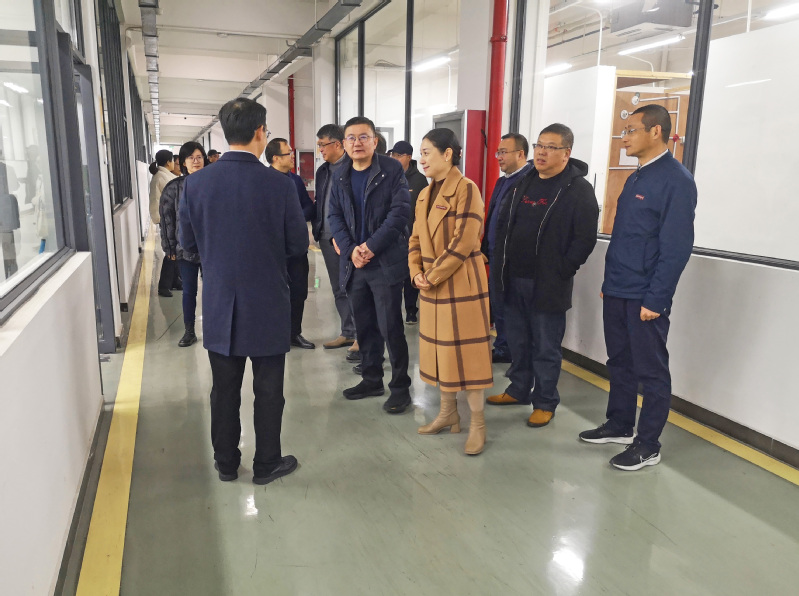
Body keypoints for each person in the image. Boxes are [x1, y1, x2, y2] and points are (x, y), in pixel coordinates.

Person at [178, 97, 308, 485]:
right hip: (268, 302)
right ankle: (266, 463)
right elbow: (297, 244)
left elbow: (187, 242)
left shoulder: (195, 183)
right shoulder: (280, 184)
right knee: (269, 390)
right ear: (259, 133)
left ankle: (226, 463)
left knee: (223, 390)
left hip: (220, 303)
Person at [579, 105, 696, 471]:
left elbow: (676, 248)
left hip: (645, 295)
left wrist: (657, 298)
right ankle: (619, 424)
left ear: (655, 131)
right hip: (618, 288)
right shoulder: (636, 177)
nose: (624, 137)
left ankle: (648, 444)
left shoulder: (676, 181)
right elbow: (625, 237)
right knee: (619, 362)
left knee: (651, 370)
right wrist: (609, 283)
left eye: (630, 130)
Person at [488, 124, 599, 429]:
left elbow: (584, 238)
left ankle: (545, 402)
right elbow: (504, 224)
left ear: (566, 153)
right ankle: (518, 389)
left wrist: (563, 268)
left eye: (550, 147)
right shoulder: (524, 182)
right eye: (539, 146)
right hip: (513, 279)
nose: (541, 152)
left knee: (546, 347)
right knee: (518, 342)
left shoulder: (577, 189)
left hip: (548, 283)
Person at [409, 128, 492, 455]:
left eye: (427, 152)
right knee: (441, 352)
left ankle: (478, 425)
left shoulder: (466, 188)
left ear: (448, 154)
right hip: (432, 284)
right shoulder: (424, 194)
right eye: (421, 153)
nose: (422, 159)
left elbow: (465, 241)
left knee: (468, 356)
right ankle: (447, 414)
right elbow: (415, 238)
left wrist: (431, 275)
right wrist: (416, 272)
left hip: (459, 282)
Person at [328, 116, 412, 414]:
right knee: (364, 326)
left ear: (375, 141)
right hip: (355, 264)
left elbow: (399, 213)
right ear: (344, 143)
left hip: (384, 262)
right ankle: (371, 378)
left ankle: (400, 387)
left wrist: (371, 246)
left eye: (363, 137)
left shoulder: (391, 169)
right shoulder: (339, 174)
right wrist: (352, 250)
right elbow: (334, 216)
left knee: (391, 327)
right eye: (351, 138)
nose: (357, 143)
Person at [480, 133, 533, 363]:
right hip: (495, 254)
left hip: (515, 259)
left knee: (513, 307)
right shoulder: (503, 181)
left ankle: (515, 350)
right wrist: (484, 247)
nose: (499, 157)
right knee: (498, 302)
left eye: (503, 152)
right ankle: (503, 347)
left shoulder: (530, 181)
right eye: (498, 152)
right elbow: (493, 216)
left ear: (520, 154)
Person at [265, 137, 316, 349]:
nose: (293, 156)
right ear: (276, 158)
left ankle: (294, 333)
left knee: (299, 292)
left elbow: (308, 206)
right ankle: (275, 334)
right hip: (274, 250)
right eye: (288, 153)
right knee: (274, 294)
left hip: (297, 249)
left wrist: (295, 218)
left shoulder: (295, 180)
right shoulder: (264, 181)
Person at [313, 124, 358, 351]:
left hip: (348, 239)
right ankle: (348, 332)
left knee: (355, 287)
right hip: (326, 236)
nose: (320, 149)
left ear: (338, 144)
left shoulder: (354, 167)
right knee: (338, 287)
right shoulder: (323, 171)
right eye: (319, 145)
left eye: (323, 145)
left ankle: (361, 335)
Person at [159, 141, 208, 347]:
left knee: (212, 291)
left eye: (199, 157)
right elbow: (167, 219)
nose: (195, 161)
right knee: (189, 291)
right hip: (184, 249)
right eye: (190, 157)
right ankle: (189, 331)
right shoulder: (173, 188)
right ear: (183, 162)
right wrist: (169, 247)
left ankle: (213, 328)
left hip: (210, 250)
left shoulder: (213, 184)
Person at [389, 140, 427, 325]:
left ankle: (411, 310)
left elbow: (423, 211)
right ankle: (394, 312)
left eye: (398, 155)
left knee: (411, 274)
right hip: (393, 237)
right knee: (395, 276)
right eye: (393, 155)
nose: (395, 158)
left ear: (408, 157)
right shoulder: (390, 176)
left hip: (412, 237)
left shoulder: (419, 181)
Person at [150, 150, 181, 297]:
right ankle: (163, 286)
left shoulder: (164, 176)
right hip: (167, 219)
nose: (174, 164)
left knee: (175, 251)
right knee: (171, 252)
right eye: (173, 161)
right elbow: (159, 201)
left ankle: (175, 281)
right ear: (168, 162)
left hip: (171, 218)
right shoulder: (162, 177)